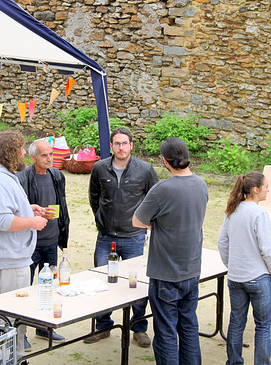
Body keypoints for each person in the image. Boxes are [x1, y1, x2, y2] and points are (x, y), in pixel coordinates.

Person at [133, 137, 209, 365]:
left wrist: (157, 224)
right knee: (188, 327)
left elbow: (137, 220)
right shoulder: (202, 185)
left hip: (166, 273)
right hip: (192, 269)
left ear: (164, 161)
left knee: (166, 332)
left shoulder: (162, 189)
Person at [0, 130, 48, 360]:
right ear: (10, 152)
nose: (25, 152)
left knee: (0, 320)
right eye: (21, 148)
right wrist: (33, 222)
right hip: (7, 261)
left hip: (4, 258)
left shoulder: (0, 176)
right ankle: (11, 360)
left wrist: (28, 209)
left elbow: (6, 210)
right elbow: (1, 220)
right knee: (11, 321)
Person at [86, 127, 159, 347]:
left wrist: (144, 225)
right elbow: (94, 197)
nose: (121, 147)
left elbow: (154, 198)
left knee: (136, 283)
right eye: (117, 144)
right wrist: (101, 219)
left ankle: (138, 328)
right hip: (106, 237)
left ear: (131, 145)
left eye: (124, 143)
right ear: (111, 146)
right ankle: (103, 325)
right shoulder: (99, 168)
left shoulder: (145, 170)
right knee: (102, 279)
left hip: (134, 237)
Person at [218, 172, 271, 365]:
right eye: (266, 186)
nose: (268, 190)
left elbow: (222, 242)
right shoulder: (259, 213)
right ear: (256, 189)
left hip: (236, 278)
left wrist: (231, 264)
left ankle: (234, 361)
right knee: (263, 326)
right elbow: (267, 249)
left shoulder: (233, 210)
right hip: (258, 277)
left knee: (236, 323)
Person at [17, 139, 70, 346]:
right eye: (44, 155)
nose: (50, 159)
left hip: (51, 241)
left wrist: (61, 234)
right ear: (33, 157)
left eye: (51, 154)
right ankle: (21, 335)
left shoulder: (57, 175)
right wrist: (33, 208)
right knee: (25, 288)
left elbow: (62, 205)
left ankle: (43, 328)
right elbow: (18, 209)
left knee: (48, 288)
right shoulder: (22, 178)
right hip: (30, 243)